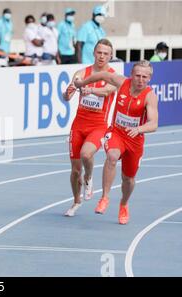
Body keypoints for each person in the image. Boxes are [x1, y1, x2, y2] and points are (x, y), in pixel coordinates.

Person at [74, 60, 158, 224]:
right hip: (116, 133)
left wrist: (139, 129)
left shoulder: (150, 96)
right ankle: (105, 197)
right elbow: (102, 74)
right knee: (112, 156)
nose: (140, 80)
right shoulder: (122, 82)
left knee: (129, 179)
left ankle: (124, 204)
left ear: (149, 78)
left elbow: (153, 123)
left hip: (135, 140)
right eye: (137, 76)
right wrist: (83, 83)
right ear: (131, 75)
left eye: (144, 77)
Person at [62, 39, 118, 217]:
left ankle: (89, 177)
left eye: (105, 54)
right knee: (75, 169)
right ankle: (76, 201)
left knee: (86, 154)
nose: (102, 56)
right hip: (78, 125)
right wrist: (68, 92)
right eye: (99, 52)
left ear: (110, 56)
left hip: (98, 126)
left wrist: (91, 90)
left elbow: (107, 91)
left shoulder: (112, 75)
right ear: (94, 53)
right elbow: (67, 96)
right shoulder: (81, 73)